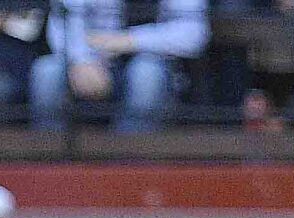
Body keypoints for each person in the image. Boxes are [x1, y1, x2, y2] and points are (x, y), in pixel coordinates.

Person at [31, 0, 205, 131]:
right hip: (92, 60)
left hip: (156, 66)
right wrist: (81, 60)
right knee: (47, 71)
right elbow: (63, 22)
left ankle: (130, 160)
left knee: (145, 73)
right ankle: (49, 160)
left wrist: (129, 40)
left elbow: (193, 35)